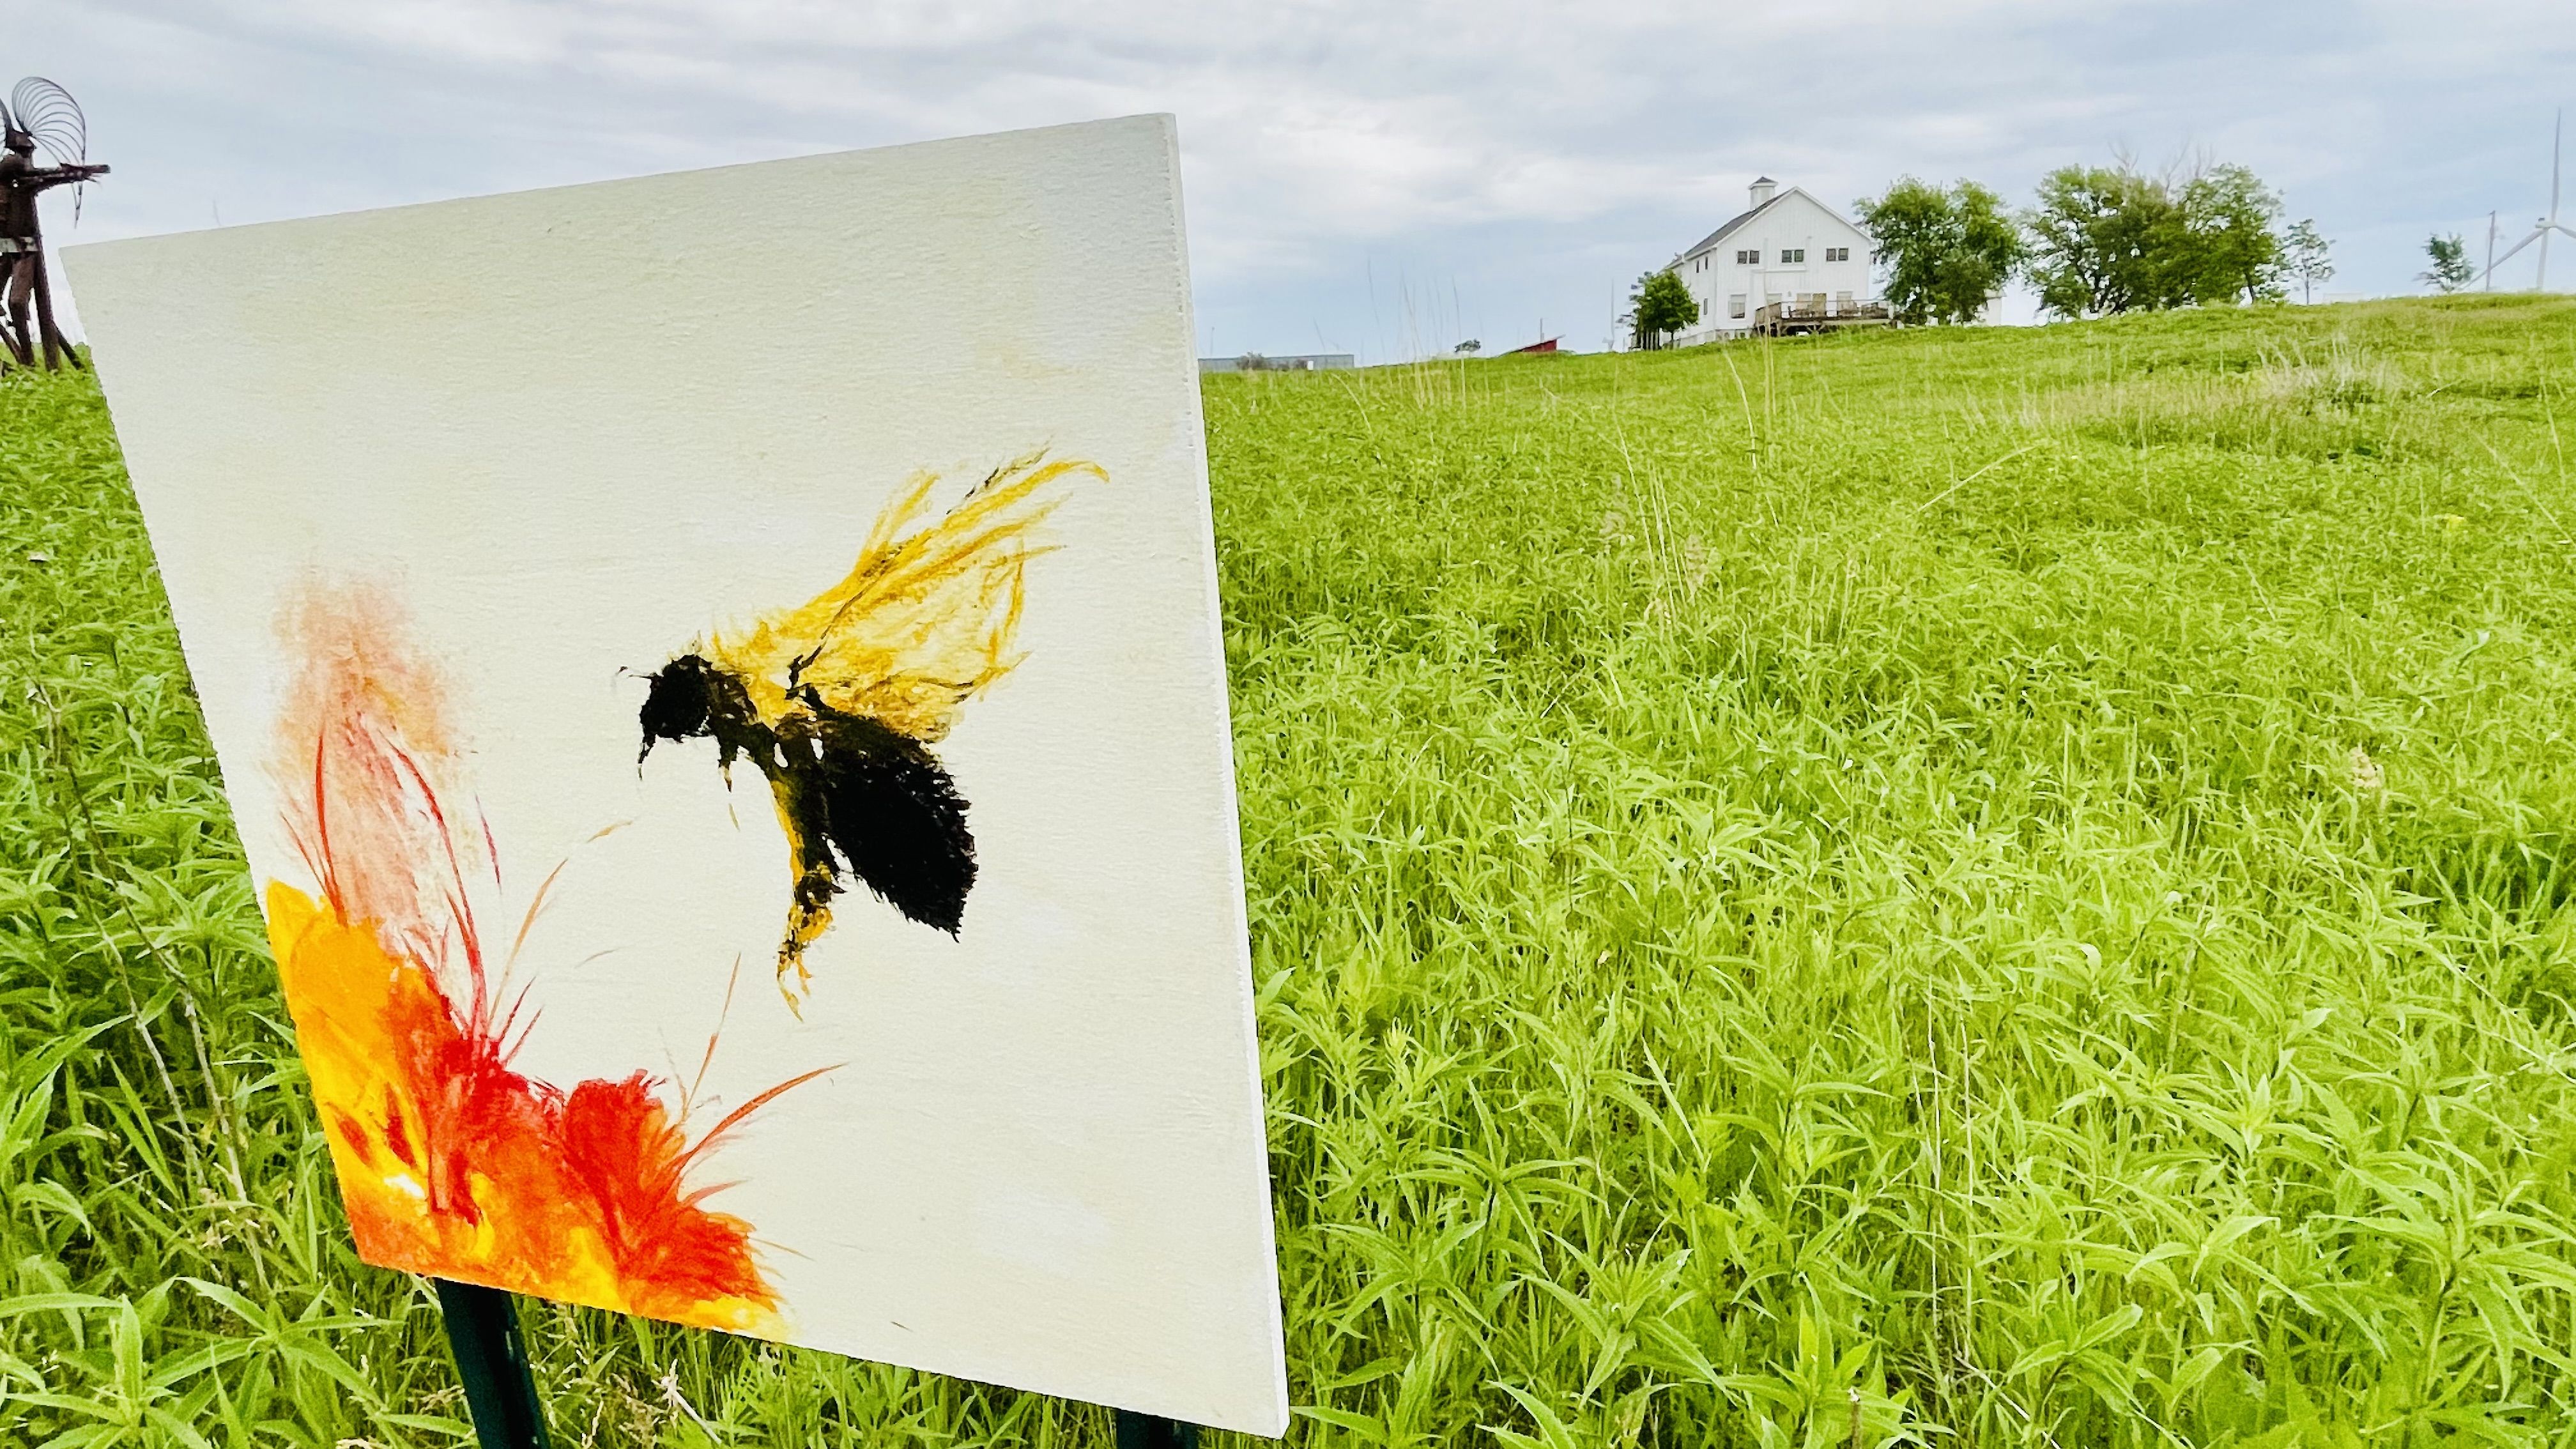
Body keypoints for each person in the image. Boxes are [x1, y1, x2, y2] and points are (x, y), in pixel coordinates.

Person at [0, 118, 106, 371]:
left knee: (17, 303)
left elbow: (45, 176)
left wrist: (78, 172)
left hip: (25, 252)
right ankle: (16, 358)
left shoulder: (24, 186)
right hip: (5, 251)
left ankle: (28, 361)